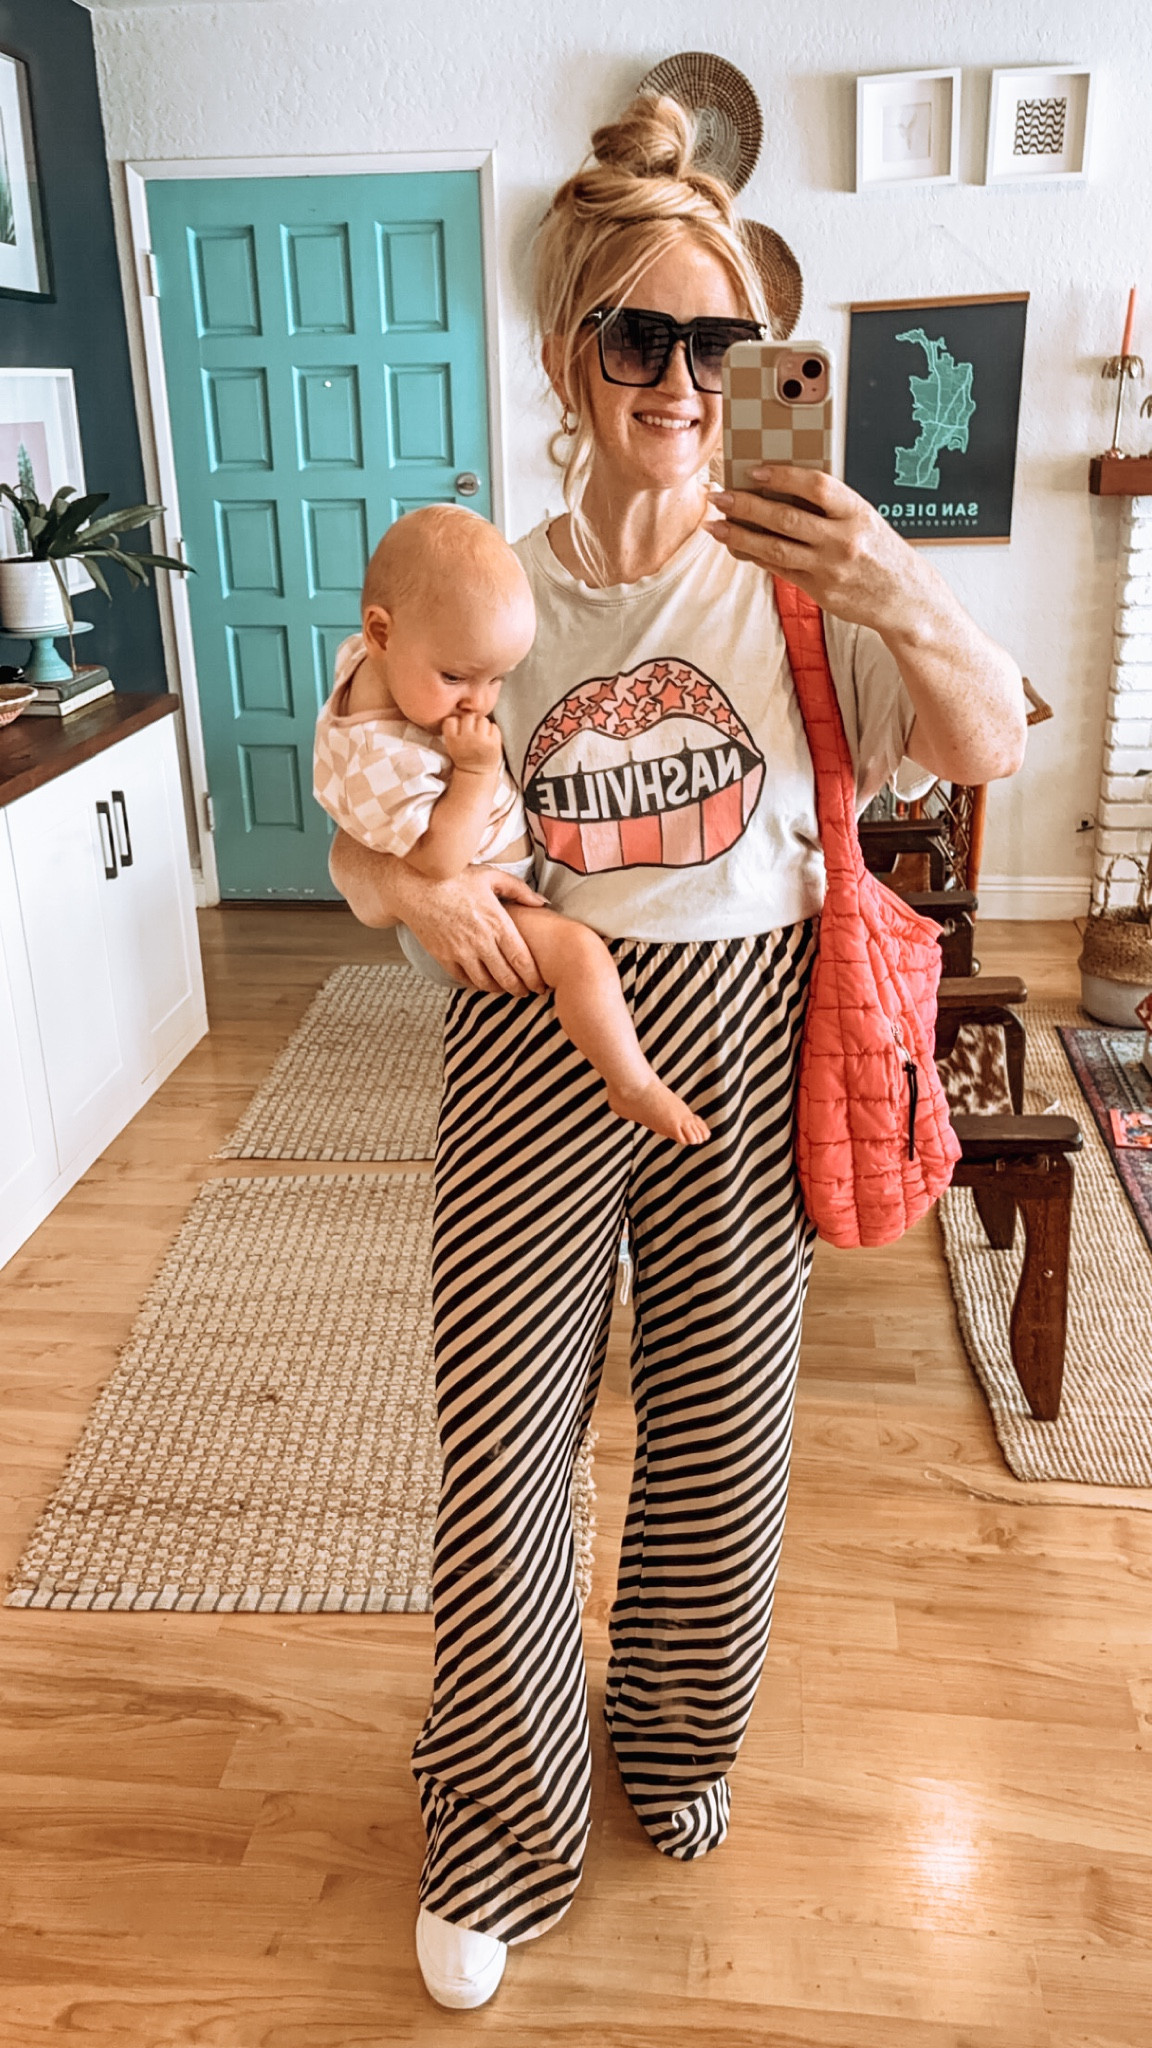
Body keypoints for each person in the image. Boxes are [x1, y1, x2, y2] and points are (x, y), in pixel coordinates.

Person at [331, 94, 1027, 2012]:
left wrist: (887, 573)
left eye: (717, 343)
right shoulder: (488, 582)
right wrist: (413, 903)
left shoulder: (803, 574)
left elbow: (983, 746)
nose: (684, 379)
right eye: (642, 337)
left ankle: (671, 1745)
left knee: (722, 1446)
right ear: (575, 354)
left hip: (747, 1020)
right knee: (502, 1445)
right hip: (528, 1032)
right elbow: (359, 830)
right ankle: (496, 1823)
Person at [314, 505, 710, 1143]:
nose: (480, 701)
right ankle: (630, 1081)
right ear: (381, 633)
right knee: (580, 954)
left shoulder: (370, 663)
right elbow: (439, 864)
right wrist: (474, 772)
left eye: (498, 678)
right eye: (457, 677)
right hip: (489, 907)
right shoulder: (389, 759)